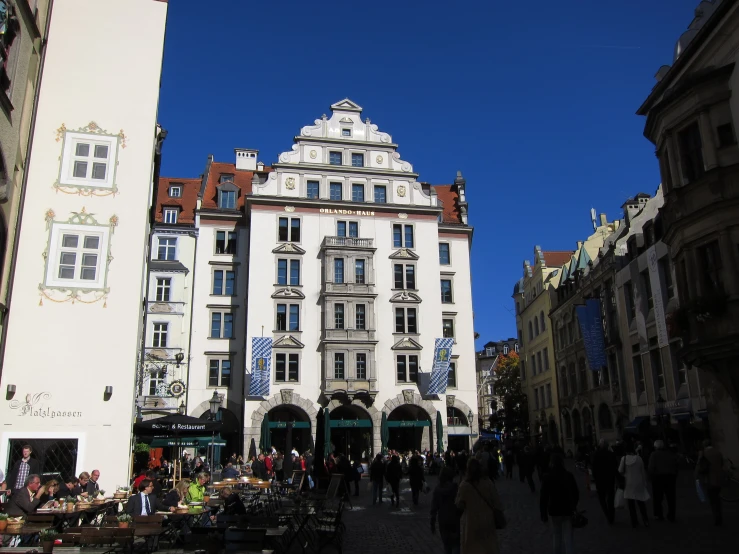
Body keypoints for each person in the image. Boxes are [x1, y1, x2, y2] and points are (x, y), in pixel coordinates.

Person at [455, 458, 504, 554]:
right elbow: (497, 503)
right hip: (487, 520)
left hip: (471, 522)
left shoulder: (464, 485)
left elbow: (459, 505)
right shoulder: (487, 482)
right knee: (489, 546)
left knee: (472, 548)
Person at [540, 453, 579, 554]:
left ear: (551, 463)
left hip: (554, 511)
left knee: (557, 537)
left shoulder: (548, 477)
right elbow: (576, 493)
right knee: (568, 539)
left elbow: (543, 498)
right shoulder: (568, 475)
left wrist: (543, 515)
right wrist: (574, 506)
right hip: (568, 510)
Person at [430, 467, 461, 554]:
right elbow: (461, 504)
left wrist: (432, 522)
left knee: (447, 546)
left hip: (443, 519)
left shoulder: (437, 489)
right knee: (456, 544)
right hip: (454, 518)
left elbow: (434, 507)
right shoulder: (455, 488)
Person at [619, 443, 650, 528]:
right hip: (638, 482)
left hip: (628, 483)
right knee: (641, 502)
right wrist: (644, 482)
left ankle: (634, 522)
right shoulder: (639, 459)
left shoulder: (623, 459)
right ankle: (645, 520)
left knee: (631, 505)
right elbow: (642, 471)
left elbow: (620, 470)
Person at [695, 439, 724, 526]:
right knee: (717, 498)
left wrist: (696, 476)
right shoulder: (718, 453)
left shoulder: (703, 453)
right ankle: (719, 515)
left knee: (712, 499)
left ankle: (717, 517)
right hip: (718, 479)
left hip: (708, 479)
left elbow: (699, 466)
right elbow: (721, 464)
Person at [648, 440, 678, 522]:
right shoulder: (670, 453)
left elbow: (651, 467)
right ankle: (671, 515)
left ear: (656, 447)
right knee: (671, 497)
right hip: (670, 477)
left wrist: (651, 477)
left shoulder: (654, 454)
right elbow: (675, 464)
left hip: (658, 478)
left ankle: (658, 514)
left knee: (657, 498)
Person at [591, 439, 618, 524]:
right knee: (610, 498)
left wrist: (595, 478)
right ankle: (611, 516)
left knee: (602, 499)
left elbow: (593, 468)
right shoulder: (611, 454)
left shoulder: (595, 454)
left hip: (600, 480)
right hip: (610, 479)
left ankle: (607, 515)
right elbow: (615, 467)